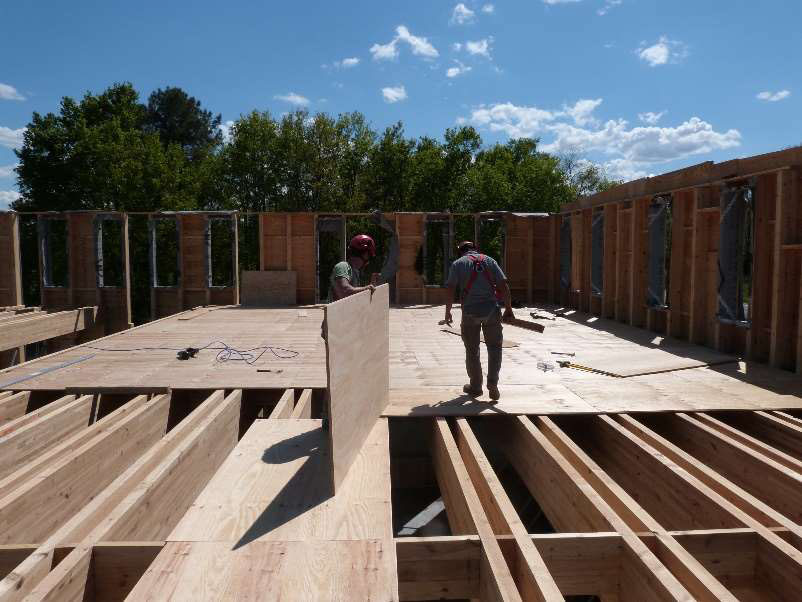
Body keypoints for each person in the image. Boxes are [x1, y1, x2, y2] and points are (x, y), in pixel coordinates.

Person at [444, 241, 514, 402]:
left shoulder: (458, 264)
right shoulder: (490, 260)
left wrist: (448, 312)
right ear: (476, 249)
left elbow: (450, 288)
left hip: (470, 312)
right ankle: (492, 384)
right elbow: (503, 285)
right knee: (495, 348)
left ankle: (476, 386)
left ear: (460, 251)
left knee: (472, 350)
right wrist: (508, 308)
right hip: (491, 311)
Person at [329, 234, 377, 302]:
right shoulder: (343, 266)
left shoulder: (355, 272)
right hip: (336, 311)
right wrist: (367, 288)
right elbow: (344, 291)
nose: (368, 261)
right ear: (365, 254)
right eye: (369, 255)